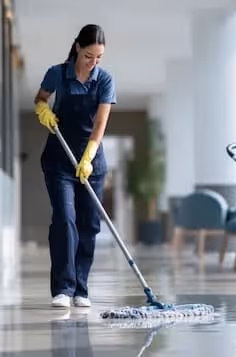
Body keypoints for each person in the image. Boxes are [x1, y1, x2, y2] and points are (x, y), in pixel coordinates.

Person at [34, 24, 116, 308]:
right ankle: (63, 289)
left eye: (99, 58)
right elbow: (40, 98)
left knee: (89, 224)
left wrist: (90, 156)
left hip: (91, 162)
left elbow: (100, 123)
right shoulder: (57, 73)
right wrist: (42, 110)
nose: (93, 63)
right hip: (59, 158)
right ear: (78, 47)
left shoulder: (104, 80)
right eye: (89, 56)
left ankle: (81, 288)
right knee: (65, 219)